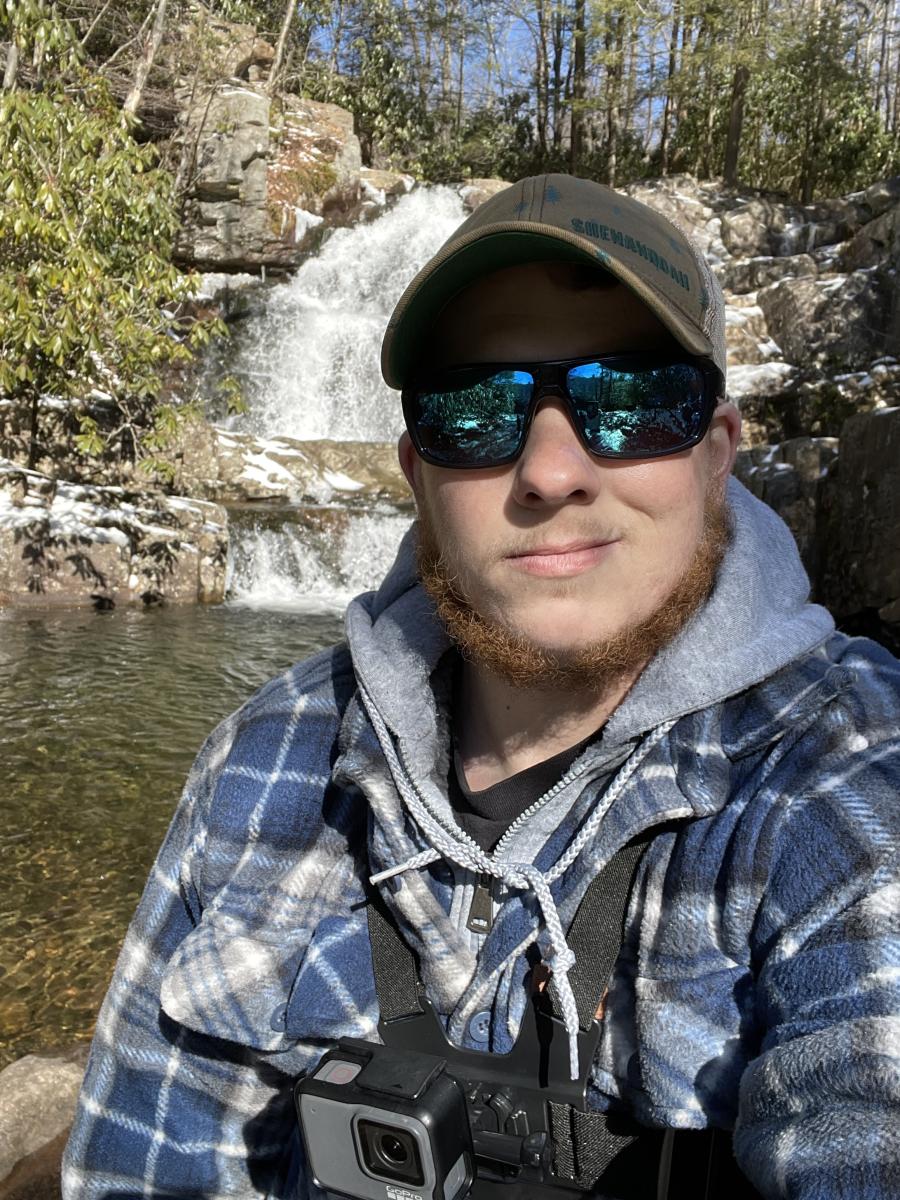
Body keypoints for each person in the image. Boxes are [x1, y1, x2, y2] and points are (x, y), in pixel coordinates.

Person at [62, 173, 900, 1200]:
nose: (551, 471)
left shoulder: (850, 783)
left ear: (717, 455)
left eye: (632, 398)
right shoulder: (262, 761)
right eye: (475, 407)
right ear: (416, 473)